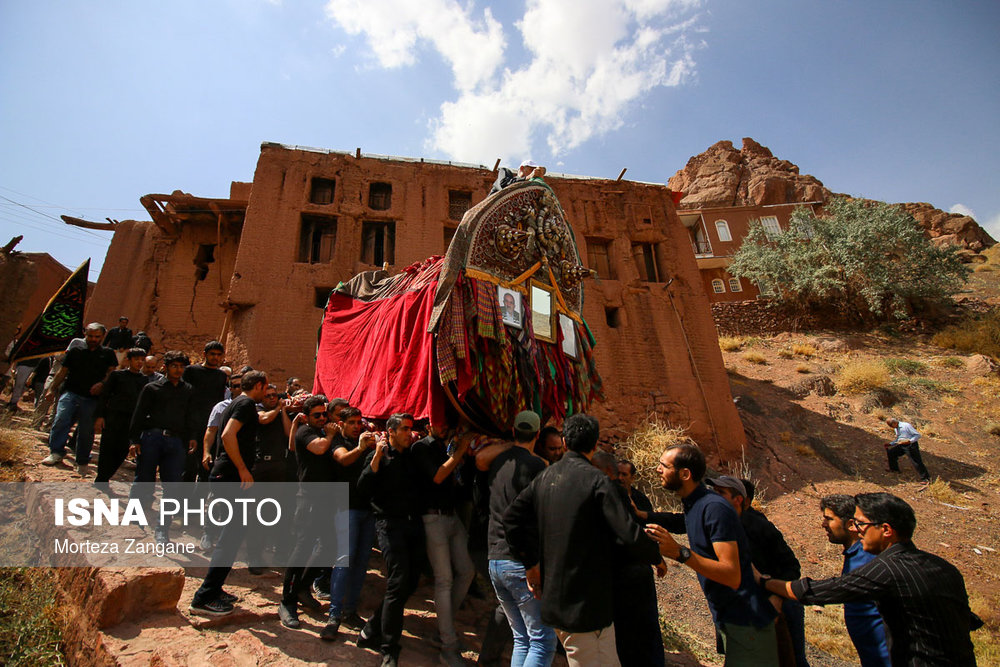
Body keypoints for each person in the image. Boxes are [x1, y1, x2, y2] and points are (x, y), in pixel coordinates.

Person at [504, 414, 661, 667]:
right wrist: (657, 555)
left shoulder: (546, 477)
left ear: (565, 442)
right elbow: (629, 534)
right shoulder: (598, 481)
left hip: (558, 601)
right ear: (595, 443)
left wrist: (531, 565)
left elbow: (511, 519)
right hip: (585, 607)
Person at [760, 492, 981, 666]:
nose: (857, 530)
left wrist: (764, 582)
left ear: (885, 529)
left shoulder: (885, 568)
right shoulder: (943, 567)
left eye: (861, 524)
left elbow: (822, 591)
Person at [644, 445, 778, 666]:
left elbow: (732, 574)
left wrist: (680, 553)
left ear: (685, 474)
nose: (658, 469)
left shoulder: (713, 508)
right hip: (729, 616)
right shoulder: (695, 504)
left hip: (746, 620)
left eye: (664, 466)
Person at [189, 370, 268, 616]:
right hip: (232, 477)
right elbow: (227, 435)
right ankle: (204, 597)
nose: (266, 392)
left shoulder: (238, 402)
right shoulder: (245, 403)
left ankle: (215, 589)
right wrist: (243, 469)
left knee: (233, 533)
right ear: (258, 385)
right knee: (231, 535)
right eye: (265, 387)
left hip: (228, 475)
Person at [709, 476, 806, 667]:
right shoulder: (719, 524)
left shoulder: (759, 526)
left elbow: (792, 567)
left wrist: (777, 598)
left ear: (741, 501)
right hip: (741, 609)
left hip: (778, 605)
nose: (714, 498)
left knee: (791, 659)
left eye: (721, 493)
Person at [486, 410, 556, 667]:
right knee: (542, 640)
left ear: (514, 431)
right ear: (538, 435)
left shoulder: (497, 461)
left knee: (522, 638)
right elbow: (535, 519)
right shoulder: (538, 466)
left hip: (495, 559)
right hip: (519, 562)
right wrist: (533, 565)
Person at [356, 413, 424, 667]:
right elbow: (363, 488)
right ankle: (389, 647)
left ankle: (372, 627)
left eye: (410, 429)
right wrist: (374, 457)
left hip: (413, 526)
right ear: (391, 431)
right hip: (389, 526)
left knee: (410, 582)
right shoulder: (379, 457)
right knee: (397, 582)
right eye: (405, 429)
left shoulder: (412, 456)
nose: (409, 433)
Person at [591, 450, 666, 667]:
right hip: (623, 570)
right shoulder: (607, 492)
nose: (622, 478)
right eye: (620, 474)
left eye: (626, 474)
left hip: (633, 569)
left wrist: (653, 555)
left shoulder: (636, 498)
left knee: (643, 626)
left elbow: (639, 531)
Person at [411, 420, 475, 666]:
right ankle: (447, 646)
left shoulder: (446, 446)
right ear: (428, 425)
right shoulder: (422, 448)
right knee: (444, 579)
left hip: (451, 516)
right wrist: (459, 451)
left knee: (466, 572)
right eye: (438, 423)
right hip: (433, 518)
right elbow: (438, 476)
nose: (444, 427)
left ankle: (443, 628)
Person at [280, 395, 342, 629]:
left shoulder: (317, 430)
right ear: (307, 416)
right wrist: (330, 434)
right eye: (317, 415)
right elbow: (319, 449)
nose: (322, 418)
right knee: (302, 549)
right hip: (309, 499)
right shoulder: (307, 432)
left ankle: (303, 588)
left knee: (329, 546)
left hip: (327, 499)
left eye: (324, 414)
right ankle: (287, 601)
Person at [127, 350, 200, 544]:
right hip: (152, 438)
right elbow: (139, 415)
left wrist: (193, 436)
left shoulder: (189, 390)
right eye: (174, 366)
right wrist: (134, 440)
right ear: (166, 367)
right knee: (143, 478)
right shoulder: (152, 388)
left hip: (176, 442)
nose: (178, 370)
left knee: (172, 486)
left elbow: (192, 415)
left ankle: (162, 529)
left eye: (181, 367)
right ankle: (135, 516)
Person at [324, 407, 378, 639]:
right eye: (352, 422)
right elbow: (344, 460)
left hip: (368, 509)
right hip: (346, 508)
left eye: (359, 422)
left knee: (361, 562)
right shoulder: (338, 442)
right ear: (341, 423)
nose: (357, 426)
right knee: (344, 561)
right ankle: (334, 614)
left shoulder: (366, 443)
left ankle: (350, 610)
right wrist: (362, 447)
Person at [818, 494, 890, 667]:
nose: (823, 525)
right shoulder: (855, 555)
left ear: (851, 524)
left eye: (829, 519)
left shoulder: (867, 560)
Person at [42, 323, 118, 473]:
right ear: (85, 334)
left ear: (103, 337)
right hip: (71, 392)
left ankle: (82, 460)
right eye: (90, 336)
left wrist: (102, 384)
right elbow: (62, 372)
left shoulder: (108, 354)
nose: (93, 339)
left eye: (97, 337)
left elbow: (112, 373)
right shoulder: (75, 351)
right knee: (61, 420)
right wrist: (52, 389)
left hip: (92, 398)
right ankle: (56, 452)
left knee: (86, 430)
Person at [244, 383, 292, 573]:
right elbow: (263, 420)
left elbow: (289, 434)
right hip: (260, 466)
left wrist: (285, 412)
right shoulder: (256, 410)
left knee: (276, 512)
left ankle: (277, 553)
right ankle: (254, 556)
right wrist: (279, 407)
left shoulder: (280, 412)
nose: (272, 398)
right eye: (268, 396)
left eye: (275, 396)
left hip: (278, 466)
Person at [94, 348, 150, 484]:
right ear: (129, 360)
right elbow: (104, 396)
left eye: (142, 360)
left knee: (122, 451)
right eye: (136, 359)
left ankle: (106, 476)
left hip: (131, 420)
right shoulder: (117, 375)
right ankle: (101, 479)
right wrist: (100, 417)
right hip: (113, 417)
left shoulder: (144, 380)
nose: (139, 362)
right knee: (107, 449)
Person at [181, 341, 228, 485]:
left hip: (210, 427)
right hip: (190, 424)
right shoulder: (191, 371)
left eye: (219, 355)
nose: (215, 357)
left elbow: (220, 402)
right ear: (204, 354)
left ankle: (196, 503)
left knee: (206, 467)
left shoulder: (221, 376)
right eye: (212, 354)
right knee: (188, 467)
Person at [884, 418, 930, 483]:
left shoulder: (906, 426)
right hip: (902, 445)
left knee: (916, 461)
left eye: (891, 425)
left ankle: (926, 479)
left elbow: (918, 435)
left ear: (894, 423)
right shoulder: (896, 428)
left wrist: (910, 441)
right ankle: (894, 469)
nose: (891, 427)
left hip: (911, 446)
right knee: (891, 453)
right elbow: (899, 439)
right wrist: (891, 444)